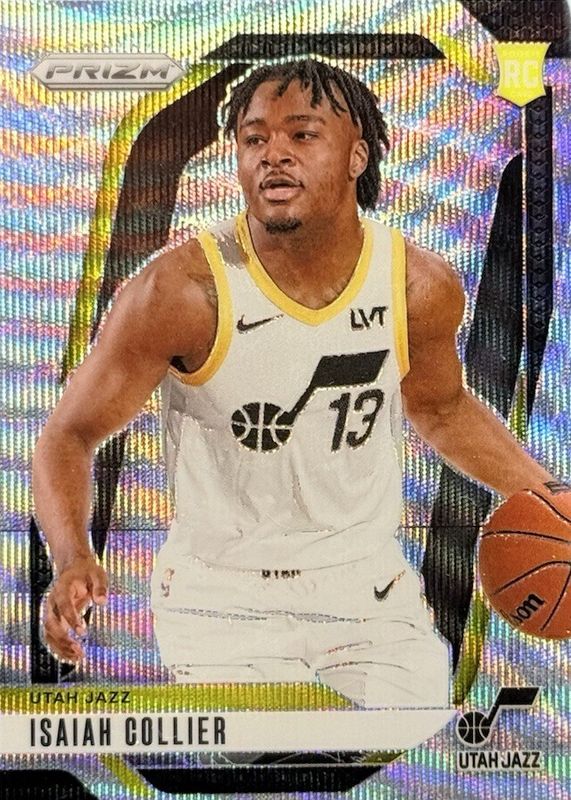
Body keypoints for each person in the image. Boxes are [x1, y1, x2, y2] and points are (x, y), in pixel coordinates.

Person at [33, 59, 554, 708]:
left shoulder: (415, 285)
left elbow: (442, 409)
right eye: (254, 138)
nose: (272, 154)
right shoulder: (180, 292)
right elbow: (69, 434)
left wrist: (550, 497)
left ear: (356, 156)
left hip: (365, 589)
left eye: (302, 135)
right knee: (271, 747)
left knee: (407, 743)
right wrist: (72, 556)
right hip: (222, 596)